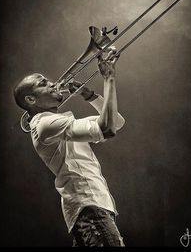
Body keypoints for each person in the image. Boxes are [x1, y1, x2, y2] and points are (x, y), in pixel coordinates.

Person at [13, 47, 126, 247]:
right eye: (44, 83)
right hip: (89, 207)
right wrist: (108, 78)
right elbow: (107, 129)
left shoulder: (54, 123)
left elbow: (116, 122)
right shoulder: (44, 123)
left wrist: (90, 95)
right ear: (31, 100)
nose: (54, 83)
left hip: (90, 207)